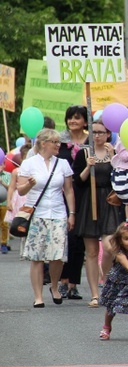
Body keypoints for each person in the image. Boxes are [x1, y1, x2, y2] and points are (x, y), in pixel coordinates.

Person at [16, 129, 76, 308]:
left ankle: (55, 286)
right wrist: (29, 184)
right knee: (37, 256)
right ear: (43, 144)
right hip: (37, 213)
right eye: (55, 142)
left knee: (57, 255)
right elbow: (21, 190)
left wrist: (71, 213)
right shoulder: (29, 163)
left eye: (59, 142)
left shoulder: (63, 163)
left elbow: (69, 190)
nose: (58, 145)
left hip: (58, 212)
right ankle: (38, 296)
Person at [72, 121, 119, 308]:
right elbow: (78, 181)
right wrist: (87, 167)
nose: (97, 136)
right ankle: (94, 294)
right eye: (94, 132)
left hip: (109, 201)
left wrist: (114, 156)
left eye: (101, 132)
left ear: (108, 134)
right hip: (89, 203)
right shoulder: (84, 153)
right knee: (91, 252)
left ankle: (105, 279)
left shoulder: (114, 153)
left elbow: (120, 177)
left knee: (109, 247)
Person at [56, 105, 89, 301]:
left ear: (85, 121)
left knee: (79, 238)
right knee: (65, 237)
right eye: (70, 118)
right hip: (63, 192)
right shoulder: (59, 141)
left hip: (84, 192)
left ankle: (74, 284)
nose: (72, 121)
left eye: (77, 118)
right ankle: (62, 281)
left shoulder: (91, 140)